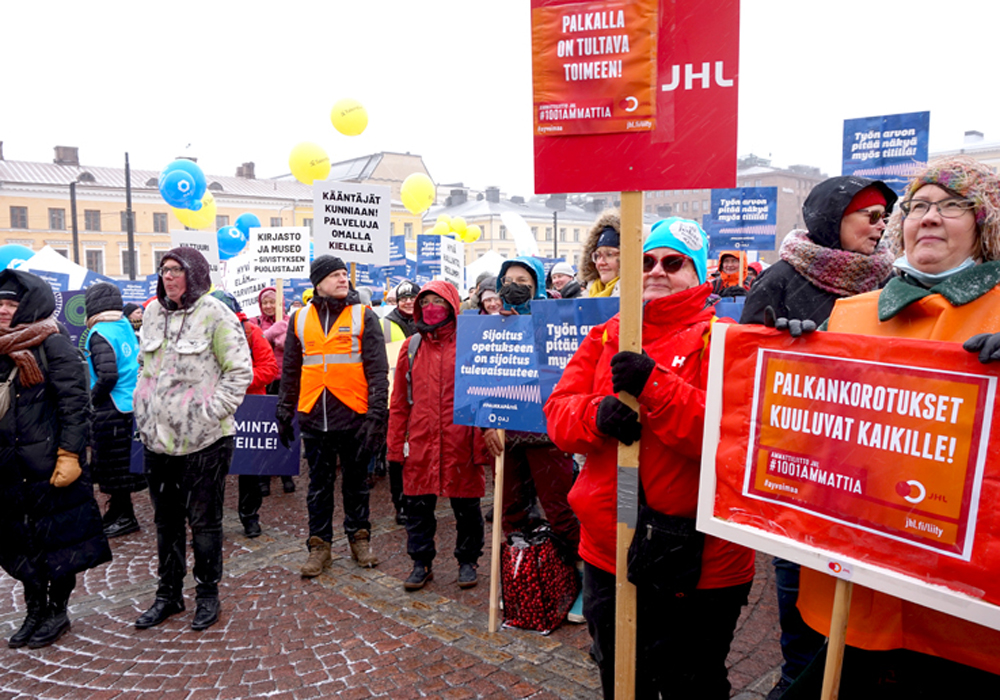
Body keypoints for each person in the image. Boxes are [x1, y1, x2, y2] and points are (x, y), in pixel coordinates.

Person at [793, 156, 1000, 695]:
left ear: (984, 224)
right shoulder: (851, 313)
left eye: (952, 206)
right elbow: (808, 434)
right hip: (862, 579)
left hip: (962, 599)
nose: (929, 217)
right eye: (919, 206)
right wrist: (791, 359)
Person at [545, 218, 755, 699]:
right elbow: (557, 415)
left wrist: (655, 387)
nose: (656, 271)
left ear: (697, 273)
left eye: (673, 262)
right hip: (609, 548)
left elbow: (731, 438)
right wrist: (598, 415)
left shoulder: (725, 338)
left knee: (692, 685)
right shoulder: (606, 336)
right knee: (621, 680)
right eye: (645, 261)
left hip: (700, 562)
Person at [740, 174, 898, 699]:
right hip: (802, 472)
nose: (879, 228)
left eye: (883, 218)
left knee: (863, 604)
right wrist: (782, 349)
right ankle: (795, 680)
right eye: (869, 216)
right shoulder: (781, 277)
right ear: (834, 218)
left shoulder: (894, 281)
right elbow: (746, 372)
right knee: (798, 591)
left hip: (872, 472)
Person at [133, 247, 252, 632]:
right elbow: (145, 365)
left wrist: (210, 412)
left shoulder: (216, 313)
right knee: (166, 522)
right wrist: (143, 404)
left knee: (204, 523)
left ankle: (207, 594)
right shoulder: (152, 312)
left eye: (176, 270)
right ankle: (168, 594)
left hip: (205, 441)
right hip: (157, 441)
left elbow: (239, 371)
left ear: (195, 273)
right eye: (164, 270)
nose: (168, 276)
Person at [0, 269, 111, 649]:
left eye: (11, 303)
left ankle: (57, 611)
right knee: (22, 541)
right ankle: (34, 610)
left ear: (29, 305)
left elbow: (75, 406)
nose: (3, 310)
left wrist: (69, 454)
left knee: (58, 542)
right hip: (10, 469)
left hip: (50, 466)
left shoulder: (53, 344)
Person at [277, 255, 389, 577]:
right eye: (335, 275)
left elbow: (378, 370)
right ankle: (319, 546)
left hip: (354, 415)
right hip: (314, 415)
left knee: (356, 485)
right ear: (318, 283)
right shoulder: (299, 319)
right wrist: (284, 408)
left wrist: (376, 416)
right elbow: (291, 369)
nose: (343, 279)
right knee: (318, 487)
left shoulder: (363, 315)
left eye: (344, 274)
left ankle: (359, 539)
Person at [387, 280, 488, 591]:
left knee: (467, 507)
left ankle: (468, 560)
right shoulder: (411, 347)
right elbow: (399, 401)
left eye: (438, 302)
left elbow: (485, 396)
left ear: (452, 305)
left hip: (461, 441)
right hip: (421, 440)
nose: (431, 308)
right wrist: (394, 447)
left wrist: (482, 444)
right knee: (417, 507)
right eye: (425, 302)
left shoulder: (471, 343)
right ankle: (421, 562)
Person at [482, 257, 580, 564]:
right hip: (506, 435)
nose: (514, 287)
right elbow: (478, 379)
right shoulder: (491, 327)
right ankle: (521, 574)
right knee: (511, 510)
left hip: (547, 435)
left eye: (523, 281)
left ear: (537, 285)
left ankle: (573, 571)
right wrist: (486, 425)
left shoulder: (555, 323)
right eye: (508, 281)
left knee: (561, 510)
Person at [211, 290, 280, 539]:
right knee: (211, 468)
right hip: (213, 407)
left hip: (248, 406)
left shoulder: (251, 331)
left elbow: (269, 368)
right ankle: (211, 520)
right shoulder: (201, 332)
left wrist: (237, 382)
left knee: (249, 467)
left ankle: (250, 516)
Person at [84, 282, 146, 539]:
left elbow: (107, 374)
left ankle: (124, 516)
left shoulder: (99, 332)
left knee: (113, 468)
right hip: (131, 404)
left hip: (111, 407)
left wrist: (92, 400)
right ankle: (119, 511)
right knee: (123, 466)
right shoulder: (124, 326)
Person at [581, 210, 622, 297]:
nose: (600, 262)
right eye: (598, 255)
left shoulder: (636, 299)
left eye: (609, 255)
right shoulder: (588, 294)